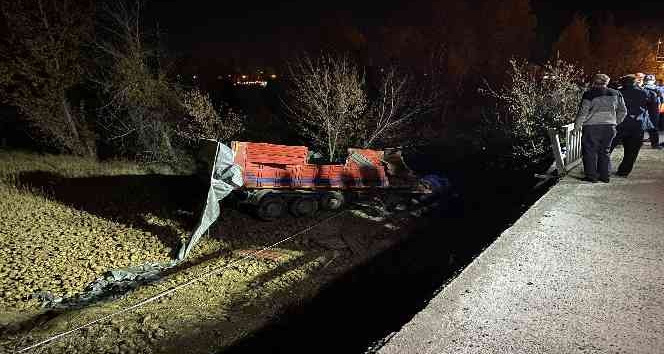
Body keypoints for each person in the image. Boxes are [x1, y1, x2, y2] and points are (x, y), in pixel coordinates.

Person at [574, 74, 627, 183]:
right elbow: (623, 111)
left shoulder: (589, 94)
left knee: (589, 152)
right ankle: (605, 176)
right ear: (607, 82)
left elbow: (583, 113)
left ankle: (592, 176)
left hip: (591, 127)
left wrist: (577, 127)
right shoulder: (616, 93)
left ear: (594, 81)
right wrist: (615, 122)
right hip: (609, 127)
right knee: (605, 151)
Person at [610, 74, 659, 177]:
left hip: (618, 124)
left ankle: (600, 168)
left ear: (622, 82)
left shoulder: (616, 93)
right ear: (635, 82)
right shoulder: (646, 93)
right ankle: (623, 172)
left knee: (607, 148)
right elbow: (653, 110)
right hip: (637, 125)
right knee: (632, 151)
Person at [642, 74, 662, 148]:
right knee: (653, 126)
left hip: (645, 109)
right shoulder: (657, 89)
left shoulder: (642, 88)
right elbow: (661, 99)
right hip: (653, 110)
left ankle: (639, 142)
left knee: (642, 126)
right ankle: (655, 143)